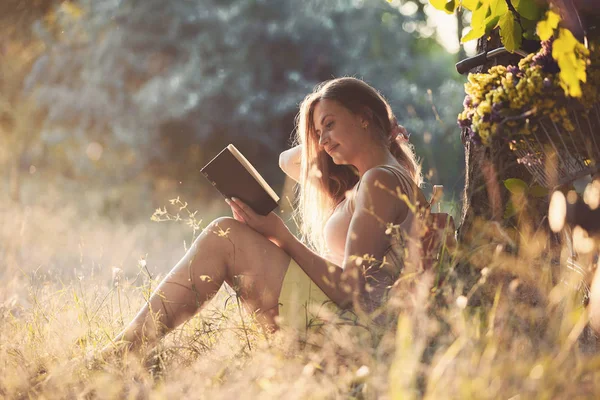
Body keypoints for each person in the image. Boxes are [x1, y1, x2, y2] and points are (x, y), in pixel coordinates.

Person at [106, 77, 430, 354]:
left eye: (330, 124)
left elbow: (350, 289)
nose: (323, 140)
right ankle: (123, 350)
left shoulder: (380, 180)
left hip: (356, 332)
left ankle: (121, 352)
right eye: (318, 133)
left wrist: (281, 235)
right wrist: (369, 132)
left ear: (363, 117)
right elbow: (287, 161)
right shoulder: (373, 178)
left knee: (226, 237)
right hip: (345, 318)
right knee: (226, 233)